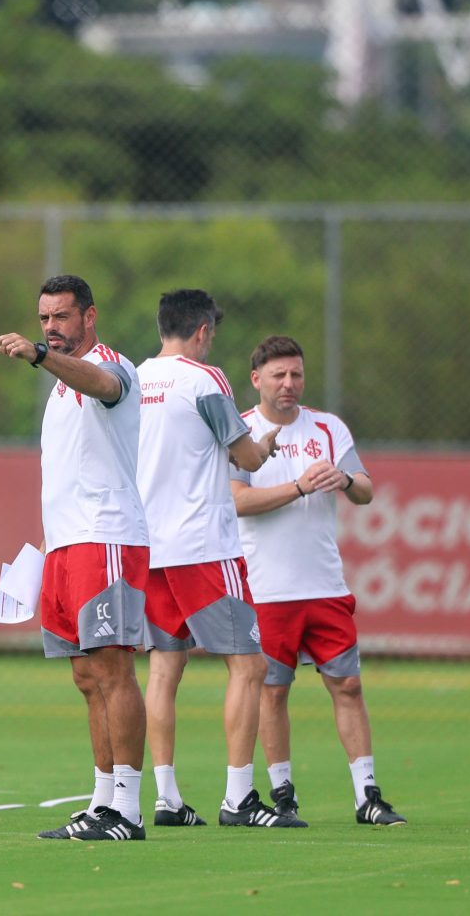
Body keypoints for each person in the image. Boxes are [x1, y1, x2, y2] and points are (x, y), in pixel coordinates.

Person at [0, 275, 150, 842]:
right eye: (43, 321)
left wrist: (37, 356)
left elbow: (104, 385)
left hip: (105, 539)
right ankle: (102, 801)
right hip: (64, 545)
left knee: (113, 669)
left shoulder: (115, 366)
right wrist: (40, 548)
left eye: (61, 318)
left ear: (89, 316)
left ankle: (128, 810)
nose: (51, 329)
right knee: (87, 677)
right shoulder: (57, 388)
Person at [229, 335, 406, 827]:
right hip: (265, 589)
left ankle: (367, 795)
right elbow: (237, 500)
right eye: (279, 375)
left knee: (347, 684)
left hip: (324, 585)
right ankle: (283, 794)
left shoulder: (328, 428)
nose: (289, 384)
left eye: (297, 375)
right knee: (273, 693)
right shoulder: (240, 431)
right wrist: (299, 486)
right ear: (256, 379)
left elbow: (366, 489)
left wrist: (344, 481)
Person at [136, 289, 281, 830]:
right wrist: (263, 445)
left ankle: (168, 798)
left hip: (148, 547)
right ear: (202, 331)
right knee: (249, 664)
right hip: (201, 544)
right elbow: (244, 455)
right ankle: (238, 798)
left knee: (163, 667)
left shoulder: (134, 378)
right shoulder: (206, 379)